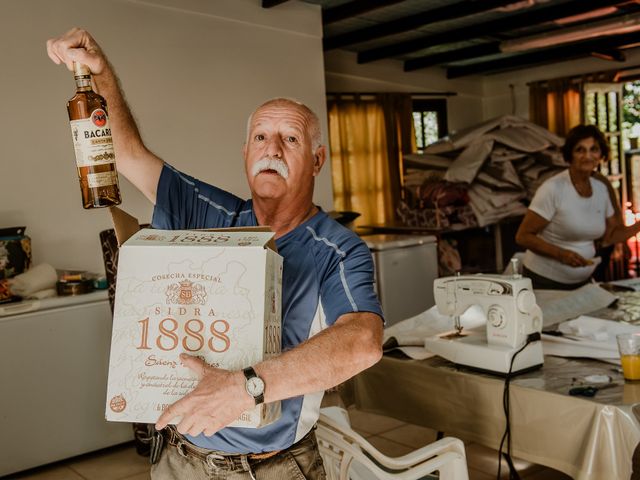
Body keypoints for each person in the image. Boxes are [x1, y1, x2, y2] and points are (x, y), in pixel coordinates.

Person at [47, 28, 384, 479]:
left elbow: (363, 341)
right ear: (245, 153)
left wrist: (247, 387)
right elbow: (125, 153)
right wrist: (100, 72)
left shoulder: (338, 249)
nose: (273, 149)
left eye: (291, 139)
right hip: (176, 457)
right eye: (261, 138)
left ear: (318, 160)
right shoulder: (208, 212)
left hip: (268, 468)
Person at [516, 124, 640, 290]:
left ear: (601, 154)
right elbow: (523, 236)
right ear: (570, 155)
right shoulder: (553, 188)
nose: (587, 156)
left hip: (581, 281)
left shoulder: (601, 189)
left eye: (594, 149)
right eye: (580, 150)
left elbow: (611, 236)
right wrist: (561, 255)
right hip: (544, 280)